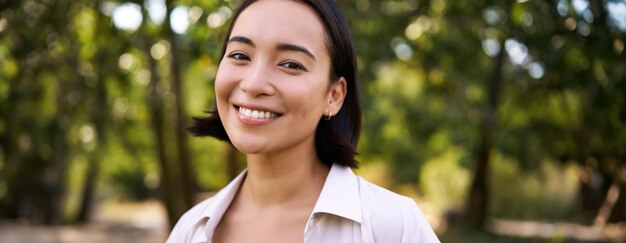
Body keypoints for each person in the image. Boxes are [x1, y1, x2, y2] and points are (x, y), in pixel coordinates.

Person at [167, 0, 440, 242]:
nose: (253, 84)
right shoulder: (190, 230)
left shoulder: (394, 227)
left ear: (333, 96)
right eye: (240, 56)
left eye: (291, 64)